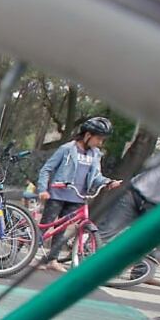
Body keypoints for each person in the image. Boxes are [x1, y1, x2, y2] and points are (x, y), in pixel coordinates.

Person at [35, 116, 121, 272]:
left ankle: (52, 259)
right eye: (99, 139)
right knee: (46, 224)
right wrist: (42, 190)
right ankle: (28, 253)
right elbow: (46, 169)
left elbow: (96, 177)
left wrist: (107, 182)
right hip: (58, 194)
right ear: (87, 135)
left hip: (77, 198)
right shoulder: (67, 149)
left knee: (62, 230)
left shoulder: (95, 154)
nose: (100, 143)